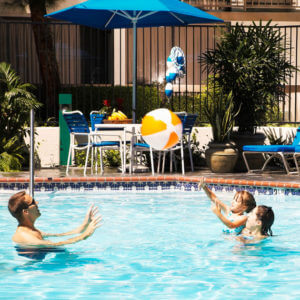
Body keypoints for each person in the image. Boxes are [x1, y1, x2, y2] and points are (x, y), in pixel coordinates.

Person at [8, 191, 101, 247]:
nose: (37, 202)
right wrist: (85, 235)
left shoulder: (30, 230)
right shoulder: (25, 236)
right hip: (35, 271)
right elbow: (56, 245)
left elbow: (60, 236)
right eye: (33, 202)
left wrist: (84, 225)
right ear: (26, 212)